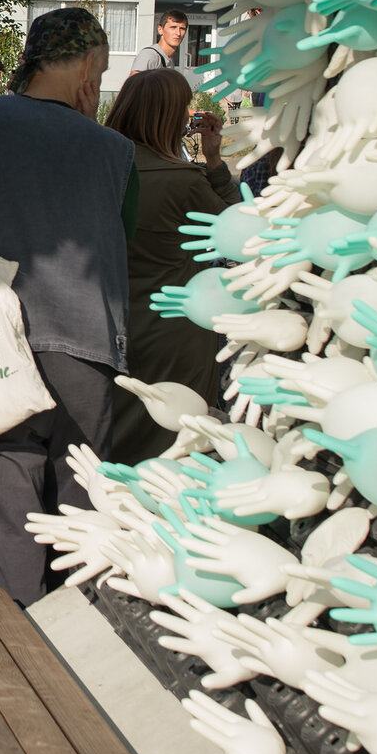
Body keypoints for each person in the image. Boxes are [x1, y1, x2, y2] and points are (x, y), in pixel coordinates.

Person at [0, 7, 140, 606]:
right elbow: (119, 252)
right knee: (80, 524)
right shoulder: (117, 152)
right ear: (88, 66)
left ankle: (11, 638)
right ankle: (82, 633)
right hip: (89, 353)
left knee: (4, 524)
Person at [104, 69, 233, 462]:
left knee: (118, 428)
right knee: (173, 438)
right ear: (168, 116)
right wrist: (215, 161)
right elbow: (237, 231)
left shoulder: (99, 166)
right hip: (174, 325)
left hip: (109, 318)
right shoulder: (182, 179)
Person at [130, 8, 189, 75]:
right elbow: (134, 80)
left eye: (182, 29)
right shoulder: (150, 55)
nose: (178, 33)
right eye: (173, 27)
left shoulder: (169, 60)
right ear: (160, 29)